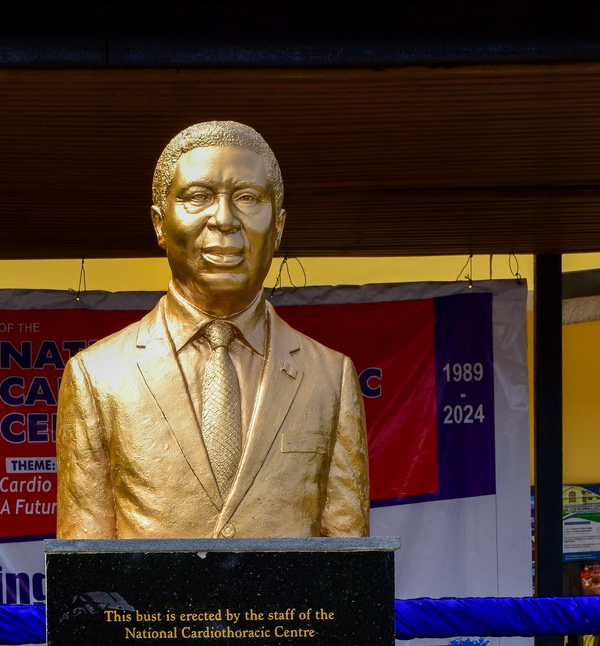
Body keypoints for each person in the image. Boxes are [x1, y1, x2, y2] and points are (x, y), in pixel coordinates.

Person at [56, 119, 370, 540]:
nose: (224, 219)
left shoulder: (330, 377)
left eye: (247, 198)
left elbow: (349, 554)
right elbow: (85, 554)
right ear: (159, 224)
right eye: (198, 197)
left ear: (278, 226)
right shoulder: (97, 376)